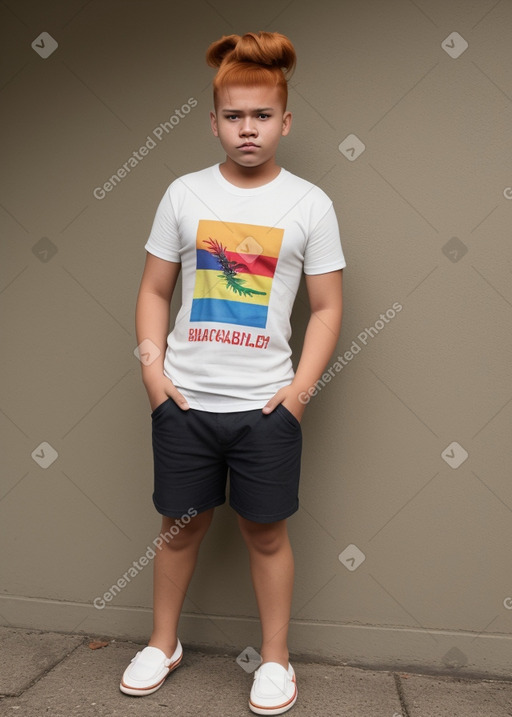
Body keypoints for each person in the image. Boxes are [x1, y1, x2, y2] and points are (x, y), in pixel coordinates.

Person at [120, 30, 345, 715]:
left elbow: (330, 307)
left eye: (262, 115)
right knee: (180, 525)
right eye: (234, 115)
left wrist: (298, 394)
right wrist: (156, 380)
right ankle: (164, 642)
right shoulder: (184, 193)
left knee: (266, 532)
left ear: (285, 120)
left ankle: (275, 659)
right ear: (213, 119)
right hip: (185, 404)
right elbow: (155, 289)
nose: (248, 129)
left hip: (265, 411)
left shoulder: (311, 205)